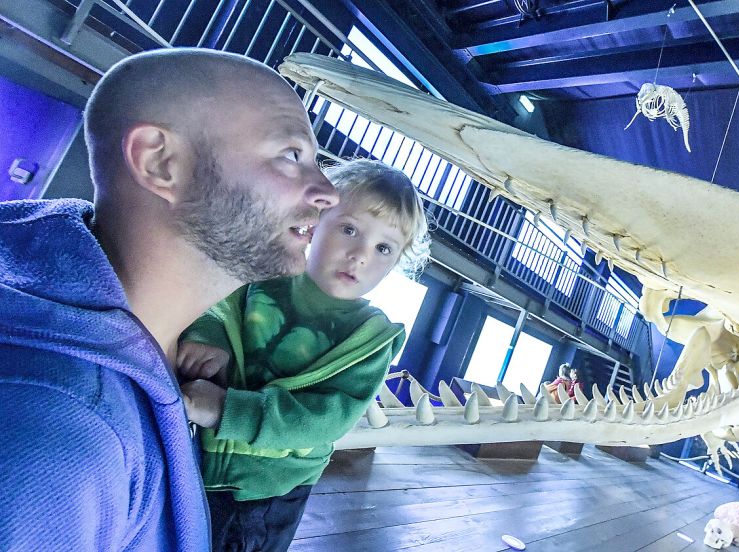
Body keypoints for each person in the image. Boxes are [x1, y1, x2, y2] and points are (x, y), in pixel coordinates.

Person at [0, 48, 338, 550]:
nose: (327, 191)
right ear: (161, 163)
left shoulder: (148, 359)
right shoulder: (57, 435)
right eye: (291, 155)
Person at [176, 159, 431, 551]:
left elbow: (327, 419)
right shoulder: (263, 276)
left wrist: (227, 409)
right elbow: (216, 306)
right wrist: (207, 338)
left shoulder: (371, 337)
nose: (361, 255)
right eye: (349, 229)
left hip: (270, 490)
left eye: (384, 248)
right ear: (315, 222)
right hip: (194, 461)